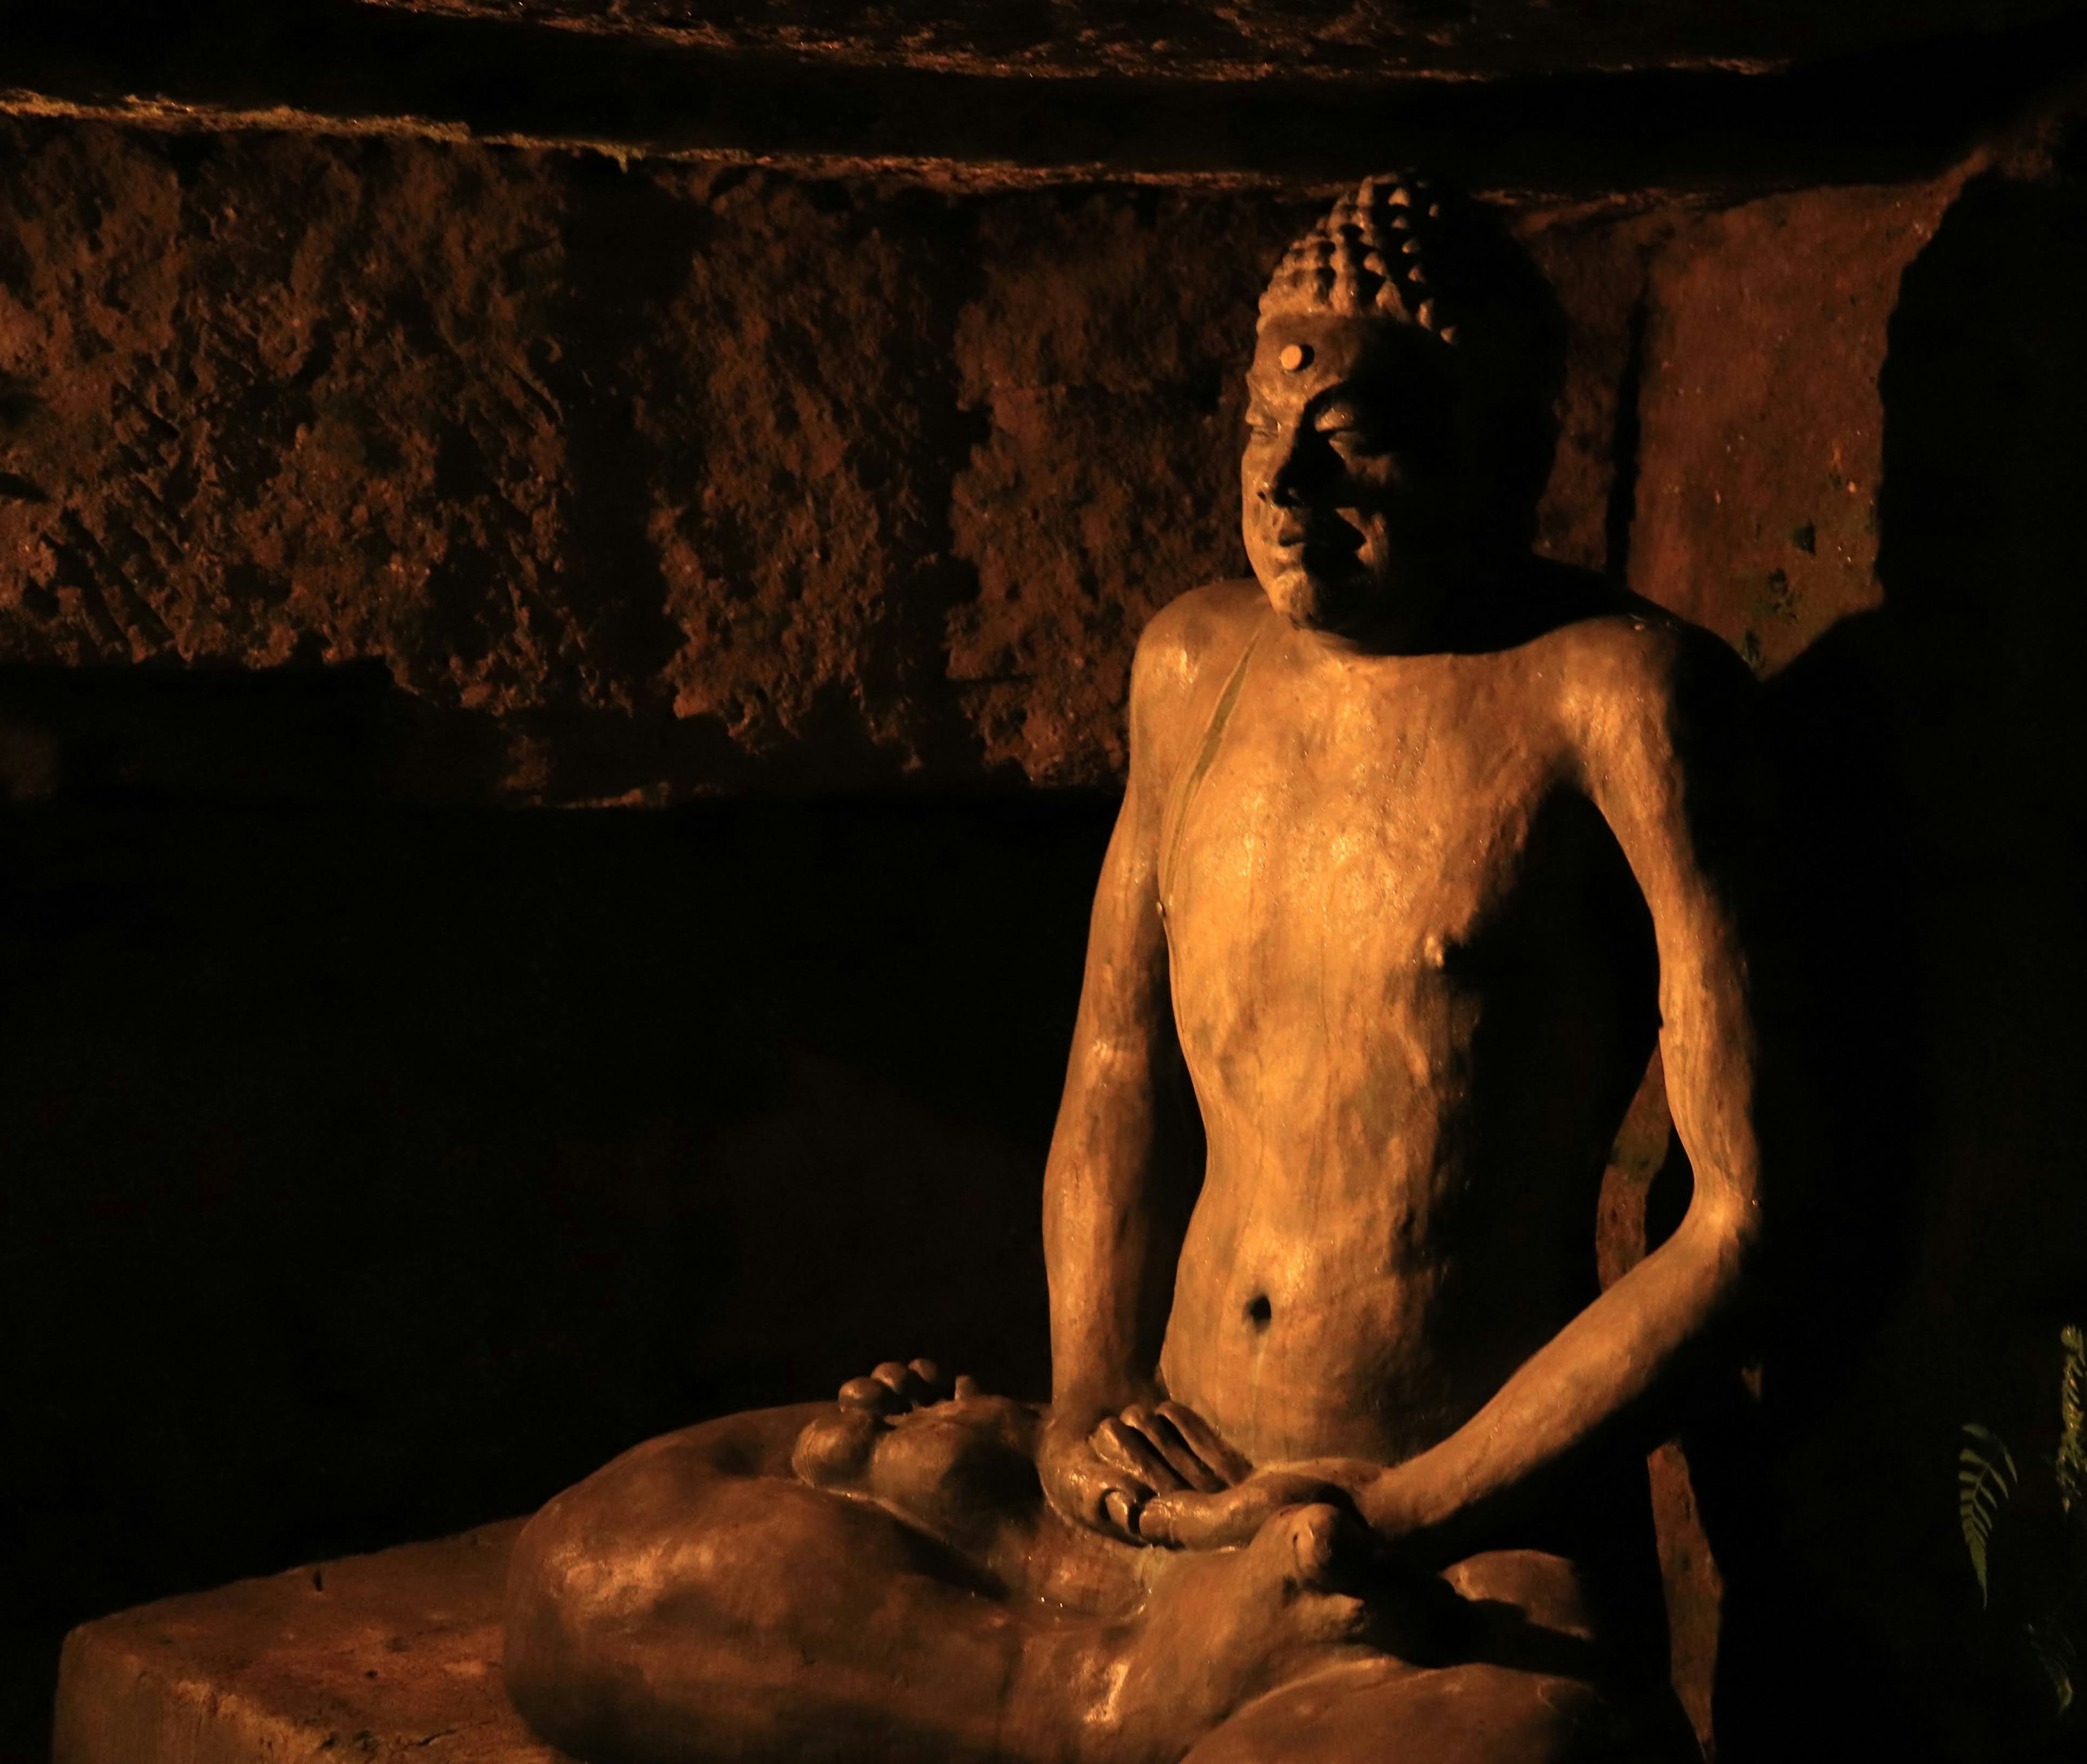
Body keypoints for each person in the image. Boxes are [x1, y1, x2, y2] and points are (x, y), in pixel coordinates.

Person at [506, 172, 1795, 1764]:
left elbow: (1740, 1224)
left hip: (1432, 1547)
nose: (1288, 492)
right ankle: (1080, 1698)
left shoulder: (1618, 701)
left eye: (1359, 446)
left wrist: (1396, 1507)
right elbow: (1116, 1075)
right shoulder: (1195, 666)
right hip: (1156, 1492)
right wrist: (1084, 1411)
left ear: (1512, 456)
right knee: (586, 1574)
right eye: (1264, 434)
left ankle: (1124, 1693)